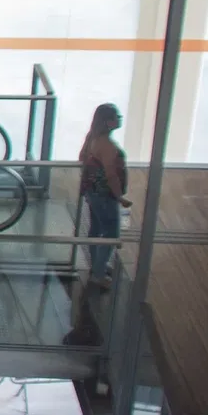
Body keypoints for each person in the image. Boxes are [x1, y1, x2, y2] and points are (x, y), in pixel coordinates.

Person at [79, 103, 131, 286]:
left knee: (96, 229)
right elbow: (111, 174)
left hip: (92, 192)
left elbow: (82, 159)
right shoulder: (107, 146)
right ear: (108, 122)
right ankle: (99, 273)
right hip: (105, 195)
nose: (120, 119)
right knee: (111, 232)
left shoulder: (92, 138)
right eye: (117, 116)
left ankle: (97, 265)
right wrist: (120, 197)